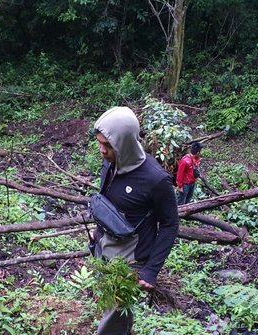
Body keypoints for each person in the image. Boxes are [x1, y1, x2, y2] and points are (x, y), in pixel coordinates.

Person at [92, 107, 180, 335]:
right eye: (99, 143)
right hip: (104, 248)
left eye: (108, 145)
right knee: (112, 309)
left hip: (130, 261)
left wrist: (151, 270)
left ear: (124, 143)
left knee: (113, 318)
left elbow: (170, 225)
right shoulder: (111, 163)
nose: (102, 150)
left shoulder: (155, 179)